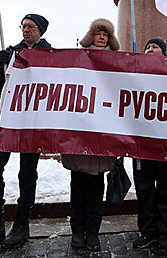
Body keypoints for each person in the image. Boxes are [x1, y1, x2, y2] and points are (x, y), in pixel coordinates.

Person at [0, 13, 53, 251]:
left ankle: (21, 224)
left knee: (27, 172)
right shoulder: (12, 52)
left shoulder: (51, 55)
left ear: (41, 30)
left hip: (32, 121)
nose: (26, 30)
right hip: (5, 118)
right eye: (23, 26)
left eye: (31, 26)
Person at [62, 18, 119, 251]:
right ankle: (77, 231)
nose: (102, 37)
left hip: (102, 137)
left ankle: (93, 232)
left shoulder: (118, 61)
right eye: (98, 33)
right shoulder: (78, 59)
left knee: (96, 191)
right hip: (79, 134)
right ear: (91, 36)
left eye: (106, 34)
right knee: (78, 189)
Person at [132, 37, 167, 249]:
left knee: (166, 189)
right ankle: (147, 231)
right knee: (145, 189)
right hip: (141, 143)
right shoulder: (135, 74)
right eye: (147, 47)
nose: (150, 50)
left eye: (155, 47)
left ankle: (166, 231)